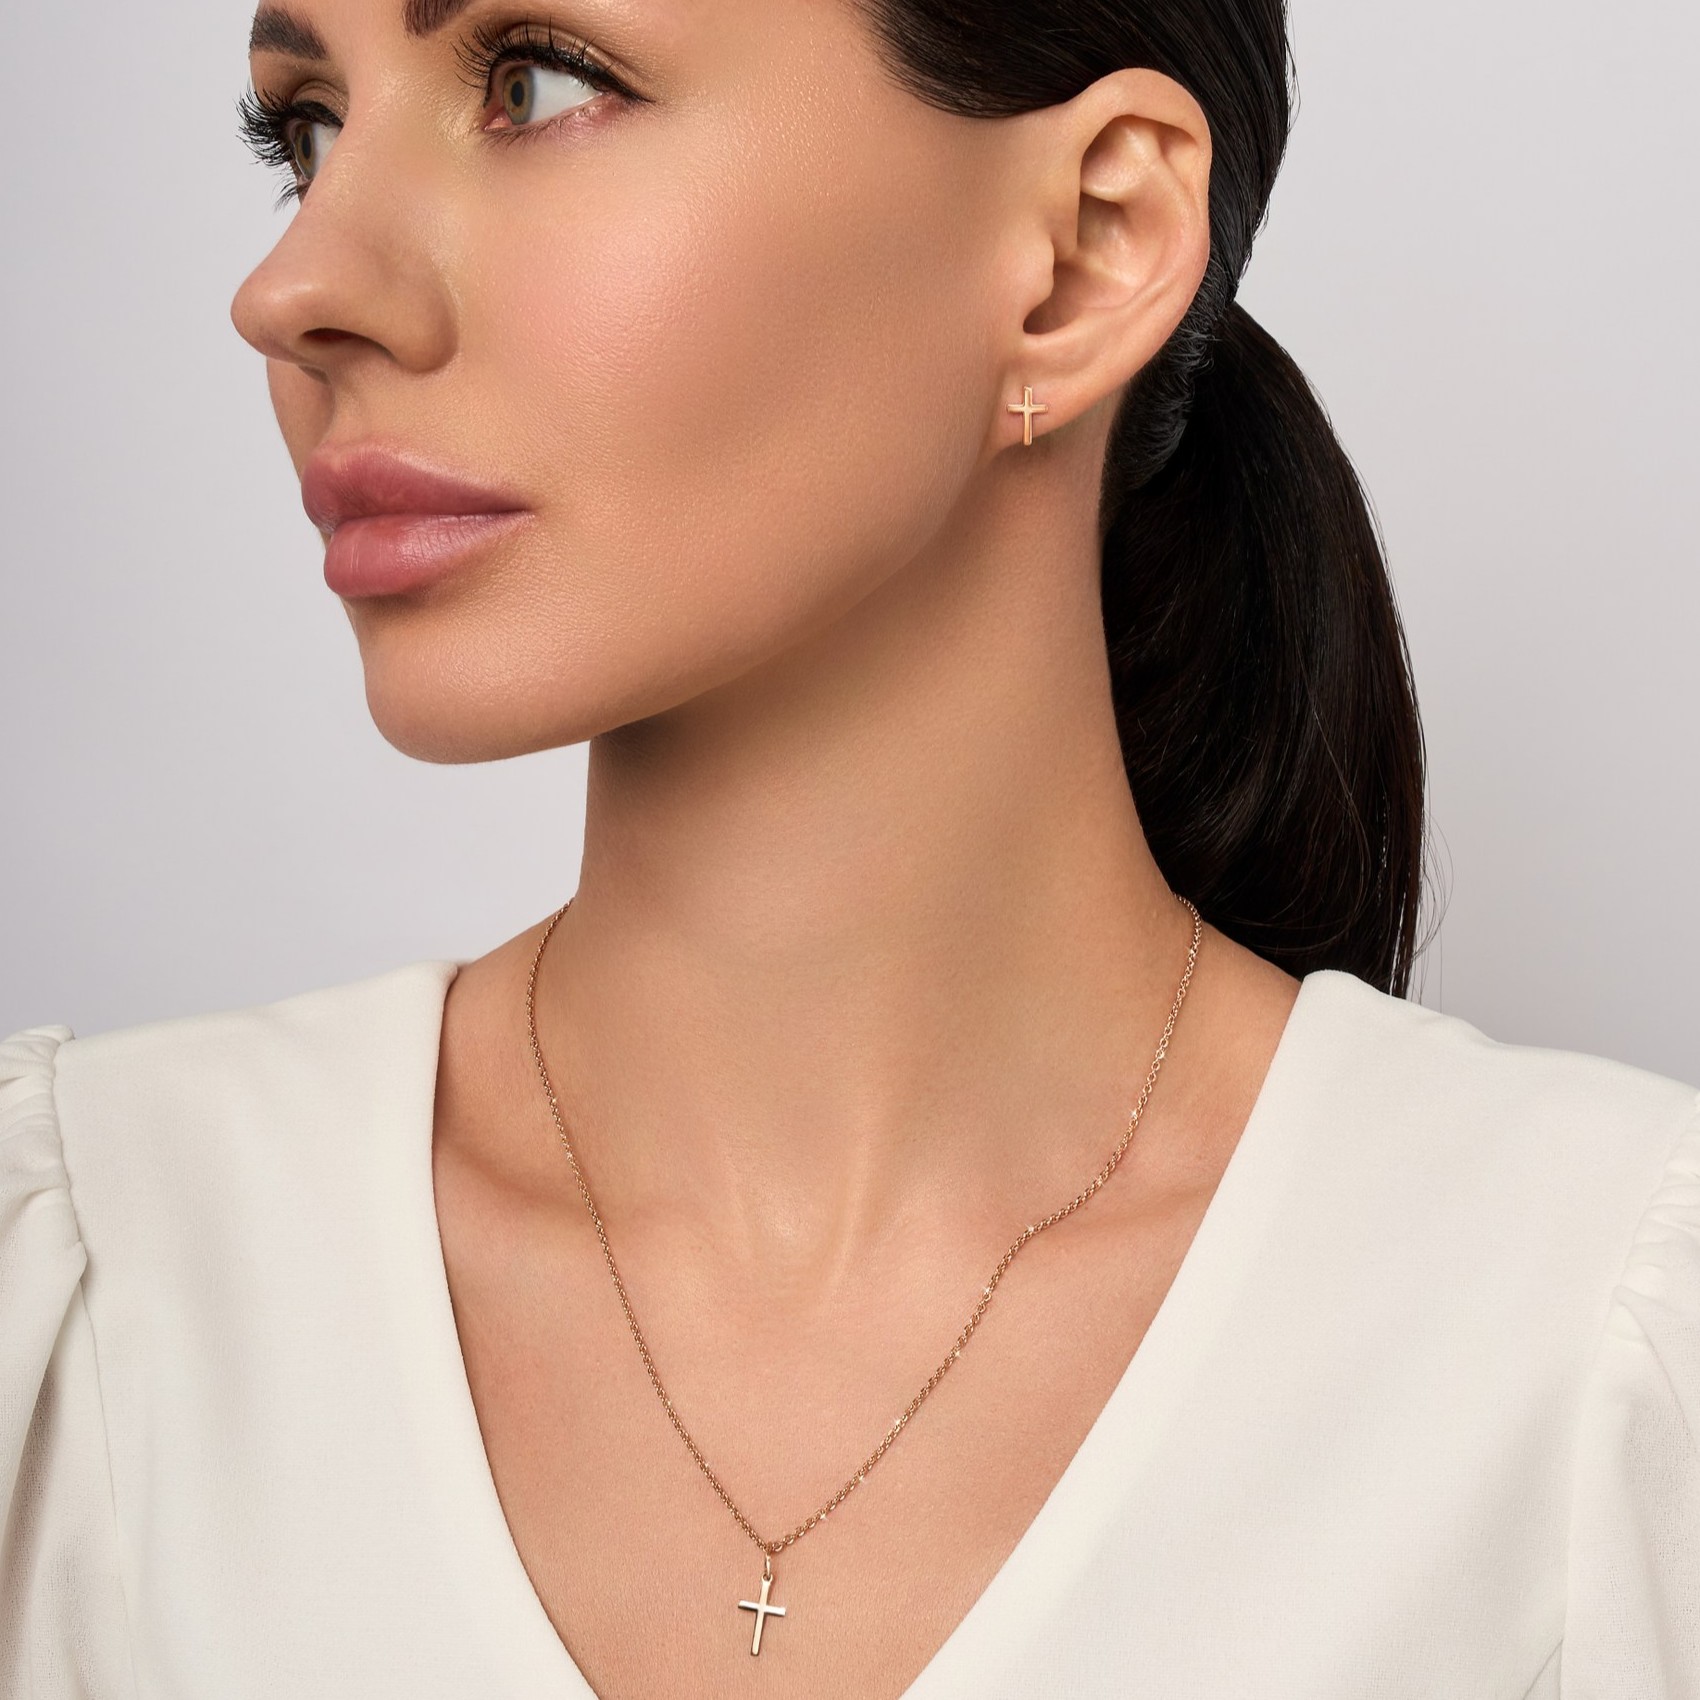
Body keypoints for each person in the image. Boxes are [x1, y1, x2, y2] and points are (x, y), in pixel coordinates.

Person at [3, 0, 1695, 1693]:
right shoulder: (80, 1294)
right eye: (304, 131)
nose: (293, 286)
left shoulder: (1594, 1350)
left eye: (536, 83)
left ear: (1085, 252)